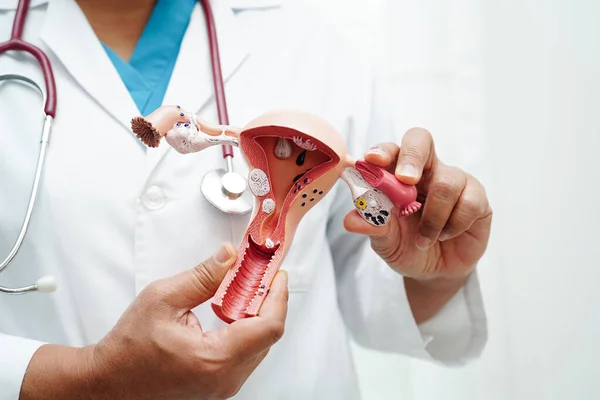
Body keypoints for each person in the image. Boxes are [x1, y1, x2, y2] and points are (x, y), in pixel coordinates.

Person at [0, 0, 491, 399]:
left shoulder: (311, 46)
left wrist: (436, 276)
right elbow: (199, 129)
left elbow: (373, 281)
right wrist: (87, 380)